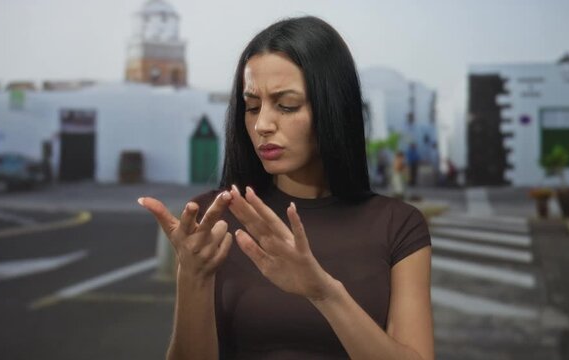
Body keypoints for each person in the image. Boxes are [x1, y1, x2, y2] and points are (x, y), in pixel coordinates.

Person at [138, 16, 433, 360]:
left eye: (286, 105)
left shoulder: (398, 226)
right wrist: (194, 277)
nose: (262, 124)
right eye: (251, 106)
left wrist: (324, 293)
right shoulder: (214, 219)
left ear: (333, 108)